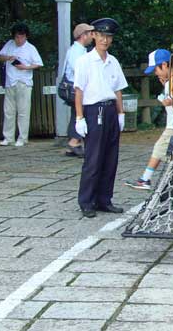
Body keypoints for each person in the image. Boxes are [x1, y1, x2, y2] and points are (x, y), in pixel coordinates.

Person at [73, 18, 128, 218]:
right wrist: (79, 117)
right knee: (94, 158)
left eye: (109, 37)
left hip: (111, 109)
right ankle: (87, 201)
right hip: (93, 110)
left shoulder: (113, 61)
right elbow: (78, 90)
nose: (105, 40)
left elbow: (118, 90)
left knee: (110, 157)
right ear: (94, 35)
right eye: (102, 35)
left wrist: (121, 113)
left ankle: (104, 199)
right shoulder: (84, 61)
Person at [125, 49, 173, 191]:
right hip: (172, 124)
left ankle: (145, 179)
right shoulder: (170, 81)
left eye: (156, 69)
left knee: (159, 148)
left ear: (165, 65)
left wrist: (171, 102)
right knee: (167, 153)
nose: (155, 73)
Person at [0, 23, 43, 147]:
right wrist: (8, 57)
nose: (19, 39)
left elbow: (38, 64)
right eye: (17, 37)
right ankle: (8, 137)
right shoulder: (9, 44)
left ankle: (22, 138)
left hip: (24, 81)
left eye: (22, 37)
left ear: (26, 36)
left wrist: (25, 67)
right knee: (8, 110)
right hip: (10, 81)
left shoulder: (31, 48)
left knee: (23, 111)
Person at [61, 23, 95, 157]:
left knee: (76, 113)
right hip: (74, 87)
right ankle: (74, 141)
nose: (92, 36)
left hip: (71, 87)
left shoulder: (78, 50)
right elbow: (79, 70)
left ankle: (72, 143)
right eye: (90, 34)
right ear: (83, 36)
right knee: (82, 112)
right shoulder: (77, 51)